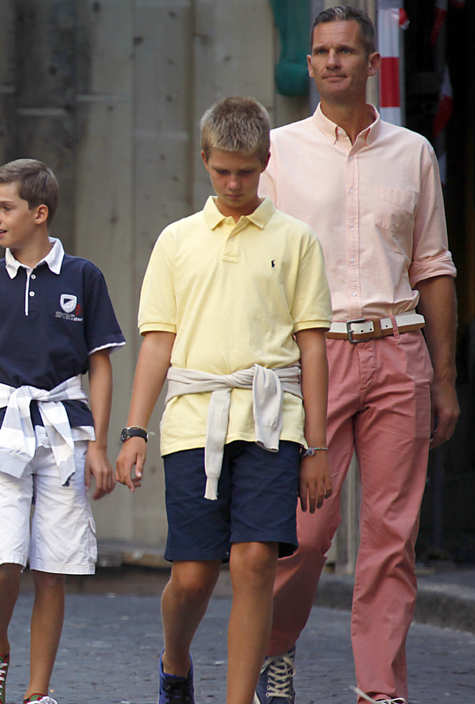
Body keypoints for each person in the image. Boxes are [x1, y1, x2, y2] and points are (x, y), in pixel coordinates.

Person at [254, 7, 459, 704]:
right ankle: (274, 651)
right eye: (320, 52)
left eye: (346, 50)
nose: (332, 61)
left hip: (400, 353)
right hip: (313, 358)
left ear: (372, 61)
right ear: (309, 64)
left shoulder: (414, 155)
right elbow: (258, 265)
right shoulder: (277, 152)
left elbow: (434, 267)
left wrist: (446, 377)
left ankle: (381, 690)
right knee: (303, 537)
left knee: (390, 540)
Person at [114, 97, 332, 704]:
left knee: (256, 560)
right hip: (193, 421)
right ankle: (175, 660)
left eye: (246, 171)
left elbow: (313, 348)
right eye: (222, 171)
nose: (234, 184)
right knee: (192, 574)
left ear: (266, 162)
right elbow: (157, 343)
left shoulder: (297, 241)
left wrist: (316, 445)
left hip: (272, 420)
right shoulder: (176, 241)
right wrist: (135, 430)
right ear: (204, 161)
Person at [0, 158, 124, 704]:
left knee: (53, 565)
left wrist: (98, 443)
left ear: (39, 213)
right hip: (1, 430)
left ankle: (37, 691)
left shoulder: (84, 277)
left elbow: (100, 365)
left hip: (66, 431)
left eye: (6, 208)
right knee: (6, 555)